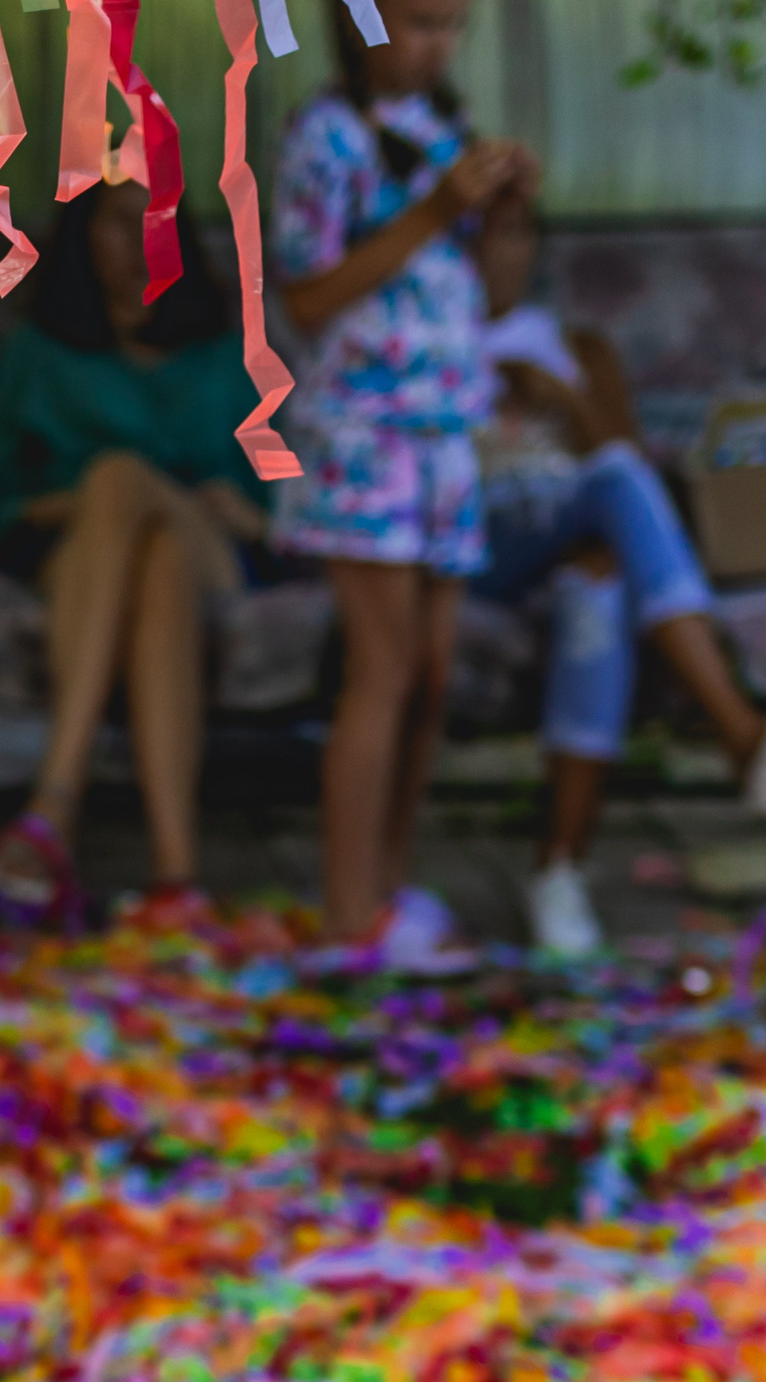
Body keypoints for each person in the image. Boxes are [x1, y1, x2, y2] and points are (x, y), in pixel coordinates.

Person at [270, 0, 537, 961]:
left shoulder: (446, 134)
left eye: (452, 25)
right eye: (418, 21)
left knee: (427, 680)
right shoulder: (325, 137)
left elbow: (494, 297)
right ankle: (348, 917)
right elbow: (304, 297)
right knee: (379, 673)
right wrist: (435, 211)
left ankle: (388, 893)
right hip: (361, 435)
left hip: (447, 437)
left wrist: (504, 219)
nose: (437, 44)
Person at [469, 199, 766, 955]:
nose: (495, 255)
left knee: (598, 590)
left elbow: (626, 458)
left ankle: (558, 871)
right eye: (476, 236)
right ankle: (743, 732)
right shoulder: (428, 346)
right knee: (614, 489)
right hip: (476, 545)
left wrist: (564, 399)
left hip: (577, 545)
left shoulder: (578, 348)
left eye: (513, 233)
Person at [0, 180, 270, 930]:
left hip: (215, 548)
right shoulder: (37, 357)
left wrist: (232, 510)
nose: (139, 238)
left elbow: (272, 512)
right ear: (82, 234)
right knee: (149, 547)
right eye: (117, 221)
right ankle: (177, 875)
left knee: (129, 488)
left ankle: (53, 802)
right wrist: (104, 504)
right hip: (81, 552)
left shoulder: (223, 357)